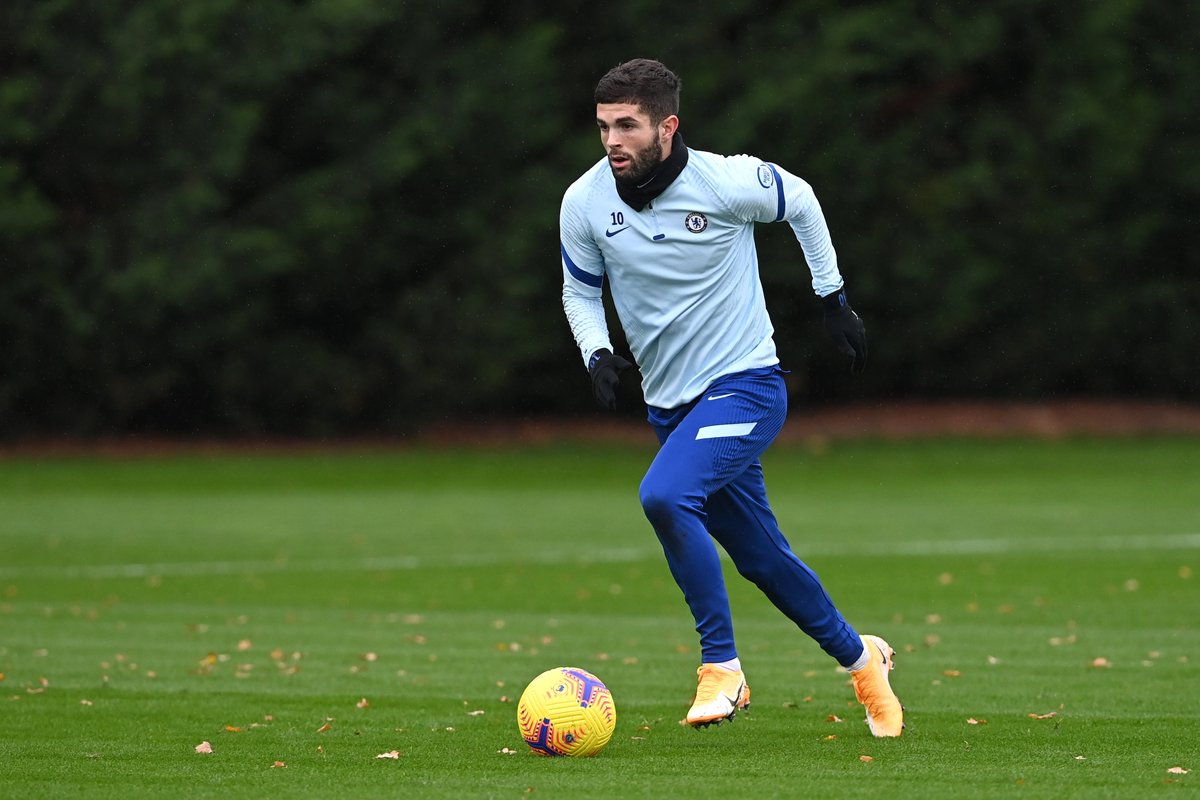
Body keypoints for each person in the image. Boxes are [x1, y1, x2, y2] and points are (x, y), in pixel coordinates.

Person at [558, 58, 903, 736]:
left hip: (746, 386)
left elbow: (800, 200)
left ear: (668, 124)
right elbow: (579, 288)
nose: (613, 141)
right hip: (672, 408)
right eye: (603, 127)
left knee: (662, 496)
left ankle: (722, 667)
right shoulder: (584, 201)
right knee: (762, 559)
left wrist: (832, 299)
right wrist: (595, 350)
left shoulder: (724, 180)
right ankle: (863, 658)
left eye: (628, 126)